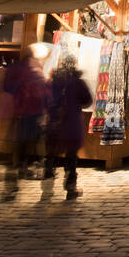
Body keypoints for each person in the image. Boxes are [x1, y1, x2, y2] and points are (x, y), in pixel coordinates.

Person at [43, 55, 93, 200]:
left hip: (54, 123)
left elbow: (44, 99)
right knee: (71, 157)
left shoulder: (52, 82)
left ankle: (46, 189)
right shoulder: (78, 83)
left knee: (50, 156)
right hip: (71, 123)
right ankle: (71, 188)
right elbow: (87, 101)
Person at [2, 49, 49, 200]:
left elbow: (7, 88)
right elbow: (44, 93)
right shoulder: (35, 72)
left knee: (18, 146)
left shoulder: (14, 70)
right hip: (33, 112)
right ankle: (45, 185)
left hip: (17, 112)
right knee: (38, 145)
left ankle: (11, 183)